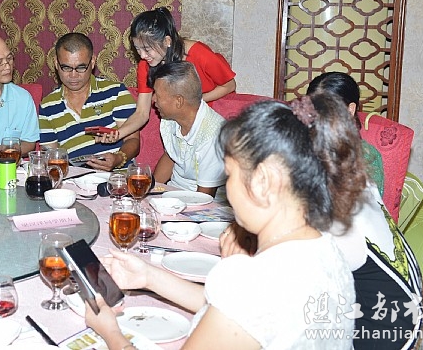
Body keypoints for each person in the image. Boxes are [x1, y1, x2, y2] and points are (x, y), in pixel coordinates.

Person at [86, 93, 366, 350]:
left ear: (263, 182)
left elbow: (243, 306)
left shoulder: (257, 279)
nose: (227, 189)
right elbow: (236, 312)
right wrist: (149, 277)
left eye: (230, 175)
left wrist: (111, 332)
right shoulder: (325, 251)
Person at [305, 72, 423, 350]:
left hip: (387, 331)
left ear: (350, 110)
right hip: (399, 314)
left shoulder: (352, 167)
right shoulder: (343, 166)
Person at [102, 6, 236, 143]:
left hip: (212, 118)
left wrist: (193, 101)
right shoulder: (145, 65)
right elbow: (141, 113)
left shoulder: (198, 53)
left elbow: (230, 85)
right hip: (179, 122)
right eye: (137, 49)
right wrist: (117, 134)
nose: (142, 55)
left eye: (147, 49)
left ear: (167, 41)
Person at [38, 33, 140, 171]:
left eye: (81, 67)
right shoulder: (47, 106)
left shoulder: (116, 92)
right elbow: (50, 154)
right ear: (56, 64)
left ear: (92, 62)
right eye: (66, 68)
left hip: (117, 176)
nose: (73, 75)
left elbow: (133, 140)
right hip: (73, 179)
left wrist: (118, 159)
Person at [151, 62, 225, 194]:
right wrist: (150, 191)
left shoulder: (213, 136)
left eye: (158, 95)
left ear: (178, 101)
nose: (153, 99)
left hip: (203, 200)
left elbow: (205, 197)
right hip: (173, 193)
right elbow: (171, 155)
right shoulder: (171, 118)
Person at [307, 72, 384, 196]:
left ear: (350, 110)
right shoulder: (296, 145)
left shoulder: (367, 156)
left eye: (327, 109)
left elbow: (372, 203)